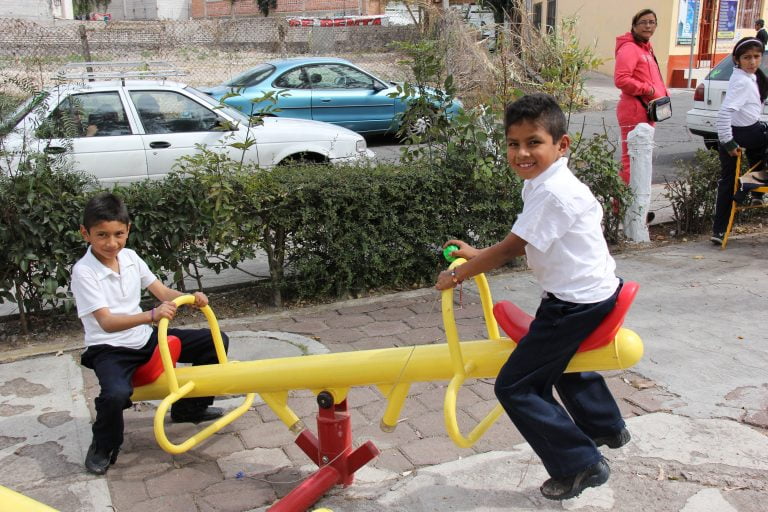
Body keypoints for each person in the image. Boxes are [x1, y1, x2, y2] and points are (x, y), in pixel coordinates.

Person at [436, 93, 630, 501]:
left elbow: (510, 249)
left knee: (516, 386)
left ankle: (580, 464)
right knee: (562, 361)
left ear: (561, 145)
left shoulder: (553, 192)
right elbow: (521, 240)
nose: (522, 153)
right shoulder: (547, 183)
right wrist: (477, 254)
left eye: (533, 142)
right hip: (593, 292)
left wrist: (459, 276)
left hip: (574, 303)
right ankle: (605, 426)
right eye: (513, 143)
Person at [71, 192, 229, 475]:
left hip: (143, 337)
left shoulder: (130, 257)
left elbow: (161, 292)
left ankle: (189, 409)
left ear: (128, 230)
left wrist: (191, 298)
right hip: (109, 348)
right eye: (102, 235)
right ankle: (104, 445)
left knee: (215, 342)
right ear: (86, 234)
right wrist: (152, 315)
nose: (112, 243)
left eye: (119, 234)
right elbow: (106, 322)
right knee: (116, 394)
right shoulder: (84, 272)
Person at [711, 37, 768, 245]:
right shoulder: (743, 81)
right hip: (738, 133)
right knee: (763, 139)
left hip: (742, 130)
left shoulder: (749, 77)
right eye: (747, 58)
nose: (752, 62)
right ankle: (752, 188)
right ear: (737, 59)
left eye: (756, 57)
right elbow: (725, 113)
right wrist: (729, 142)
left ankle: (720, 230)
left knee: (728, 180)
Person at [614, 8, 669, 185]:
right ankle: (622, 208)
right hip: (634, 110)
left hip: (647, 111)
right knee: (631, 161)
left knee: (641, 161)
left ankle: (636, 207)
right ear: (634, 26)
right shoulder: (630, 48)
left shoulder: (645, 48)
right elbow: (621, 79)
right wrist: (648, 90)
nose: (648, 26)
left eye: (651, 22)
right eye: (643, 22)